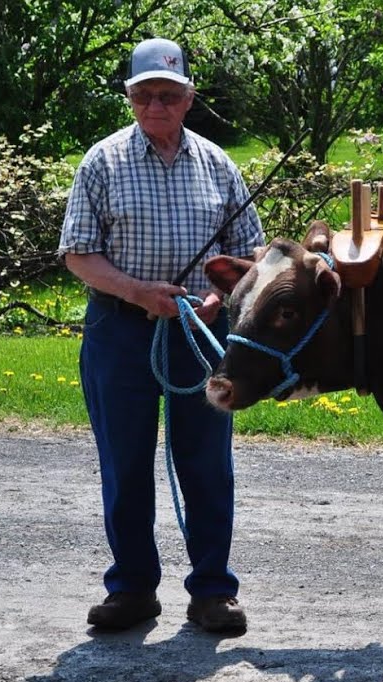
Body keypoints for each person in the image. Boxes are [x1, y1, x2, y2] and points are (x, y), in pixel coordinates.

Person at [57, 37, 263, 634]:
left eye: (168, 95)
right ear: (129, 98)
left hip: (201, 331)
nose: (156, 106)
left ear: (188, 97)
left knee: (206, 463)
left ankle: (212, 592)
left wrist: (219, 294)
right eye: (144, 94)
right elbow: (78, 254)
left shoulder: (219, 163)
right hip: (119, 330)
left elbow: (249, 252)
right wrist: (138, 293)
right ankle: (131, 589)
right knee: (124, 463)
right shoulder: (102, 162)